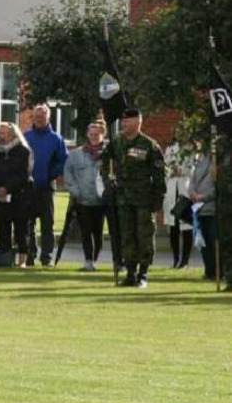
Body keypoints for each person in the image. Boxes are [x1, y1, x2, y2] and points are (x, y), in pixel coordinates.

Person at [102, 109, 165, 288]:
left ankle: (143, 274)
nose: (124, 124)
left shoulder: (149, 145)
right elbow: (105, 159)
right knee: (126, 235)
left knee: (144, 235)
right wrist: (107, 179)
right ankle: (130, 273)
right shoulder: (117, 142)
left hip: (144, 199)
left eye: (127, 121)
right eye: (122, 122)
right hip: (123, 198)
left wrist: (157, 199)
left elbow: (159, 175)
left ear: (138, 122)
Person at [23, 104, 69, 267]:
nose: (39, 118)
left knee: (47, 224)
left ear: (48, 117)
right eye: (36, 116)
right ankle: (29, 256)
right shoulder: (25, 136)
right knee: (28, 223)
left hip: (47, 187)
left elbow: (63, 160)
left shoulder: (56, 139)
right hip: (28, 187)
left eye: (42, 116)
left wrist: (51, 174)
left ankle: (46, 257)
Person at [64, 120, 109, 271]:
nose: (94, 137)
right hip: (83, 200)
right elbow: (68, 174)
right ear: (87, 135)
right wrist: (76, 192)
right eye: (91, 134)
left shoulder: (109, 154)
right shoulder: (76, 154)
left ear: (103, 134)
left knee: (98, 232)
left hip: (101, 201)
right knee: (85, 232)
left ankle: (95, 258)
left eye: (97, 134)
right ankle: (88, 261)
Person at [0, 122, 33, 266]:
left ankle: (23, 260)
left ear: (12, 134)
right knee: (3, 227)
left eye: (3, 132)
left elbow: (23, 174)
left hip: (19, 195)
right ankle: (5, 258)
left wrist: (7, 188)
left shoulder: (23, 151)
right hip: (1, 196)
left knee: (21, 228)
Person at [189, 139, 219, 281]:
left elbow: (217, 187)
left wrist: (204, 197)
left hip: (212, 209)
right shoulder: (199, 162)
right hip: (199, 210)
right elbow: (191, 180)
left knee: (214, 242)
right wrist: (193, 194)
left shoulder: (217, 163)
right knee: (203, 243)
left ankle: (217, 271)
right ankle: (208, 270)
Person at [163, 133, 194, 268]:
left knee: (187, 227)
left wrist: (181, 170)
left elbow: (193, 170)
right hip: (171, 191)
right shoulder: (170, 149)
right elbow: (165, 168)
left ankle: (185, 261)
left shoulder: (192, 150)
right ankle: (175, 259)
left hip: (185, 191)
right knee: (173, 228)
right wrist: (171, 171)